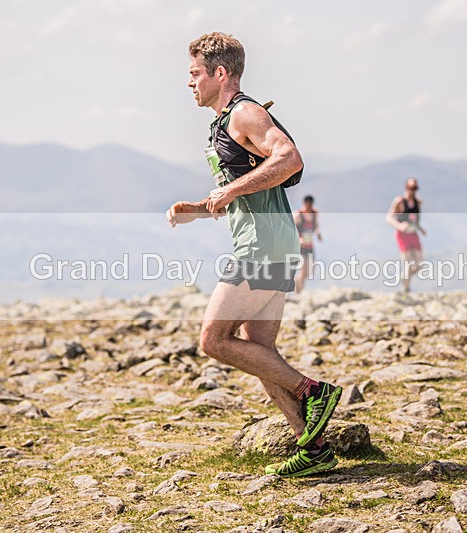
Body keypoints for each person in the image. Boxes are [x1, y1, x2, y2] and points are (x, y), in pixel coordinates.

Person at [166, 32, 342, 477]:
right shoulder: (224, 121)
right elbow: (248, 190)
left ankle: (313, 390)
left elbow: (289, 158)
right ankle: (315, 447)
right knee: (260, 350)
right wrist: (200, 208)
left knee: (213, 340)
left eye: (194, 74)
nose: (189, 83)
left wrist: (230, 189)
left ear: (219, 73)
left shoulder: (246, 112)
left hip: (263, 246)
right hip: (273, 241)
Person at [386, 177, 426, 293]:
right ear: (406, 188)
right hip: (402, 235)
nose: (413, 191)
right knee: (408, 264)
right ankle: (406, 288)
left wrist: (420, 228)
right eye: (411, 188)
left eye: (415, 188)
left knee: (419, 264)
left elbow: (415, 219)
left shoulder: (418, 203)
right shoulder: (399, 201)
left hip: (413, 234)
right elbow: (389, 217)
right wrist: (399, 226)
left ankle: (404, 278)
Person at [294, 195, 322, 294]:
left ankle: (299, 285)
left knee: (310, 270)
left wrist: (318, 233)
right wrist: (299, 239)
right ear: (304, 203)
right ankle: (298, 291)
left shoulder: (314, 213)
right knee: (304, 268)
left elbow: (316, 225)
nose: (309, 207)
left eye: (310, 205)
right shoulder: (298, 215)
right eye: (307, 205)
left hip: (310, 245)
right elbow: (292, 229)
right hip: (301, 246)